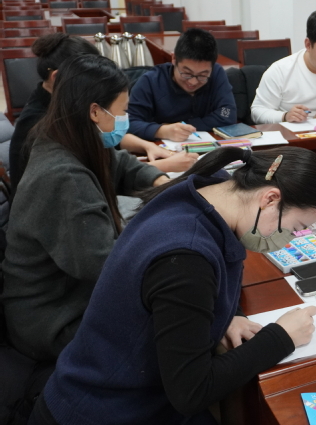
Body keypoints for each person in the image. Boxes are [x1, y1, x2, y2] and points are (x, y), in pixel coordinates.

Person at [25, 147, 316, 425]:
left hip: (130, 392)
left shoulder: (214, 189)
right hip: (104, 420)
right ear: (270, 198)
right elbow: (192, 391)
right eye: (295, 227)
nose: (289, 240)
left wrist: (229, 313)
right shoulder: (186, 259)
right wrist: (281, 337)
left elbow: (221, 265)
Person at [1, 54, 169, 362]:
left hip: (72, 294)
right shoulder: (63, 177)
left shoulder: (71, 138)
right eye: (123, 110)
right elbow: (107, 266)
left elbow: (120, 164)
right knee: (174, 326)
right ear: (95, 111)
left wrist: (160, 182)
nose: (125, 119)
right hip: (52, 318)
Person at [8, 33, 196, 191]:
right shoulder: (42, 126)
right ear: (57, 77)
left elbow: (106, 142)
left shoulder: (68, 107)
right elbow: (91, 179)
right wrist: (163, 166)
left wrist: (147, 146)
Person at [128, 28, 237, 141]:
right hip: (162, 148)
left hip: (206, 145)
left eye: (202, 75)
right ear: (174, 58)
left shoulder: (217, 73)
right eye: (187, 74)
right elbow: (130, 122)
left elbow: (228, 114)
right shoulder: (150, 81)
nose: (193, 82)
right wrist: (162, 131)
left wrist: (185, 126)